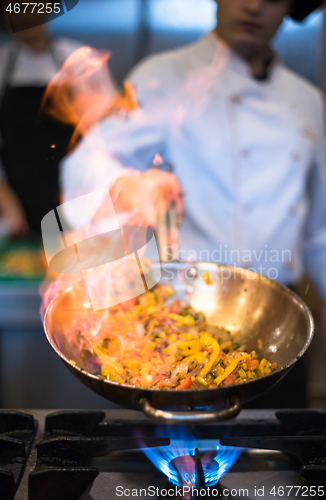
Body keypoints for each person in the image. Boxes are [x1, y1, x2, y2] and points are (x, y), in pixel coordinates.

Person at [61, 0, 325, 407]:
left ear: (293, 6)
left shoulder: (308, 101)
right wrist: (127, 185)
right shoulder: (162, 77)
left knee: (282, 462)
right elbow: (84, 165)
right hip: (184, 324)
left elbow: (319, 232)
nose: (253, 5)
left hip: (278, 329)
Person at [0, 8, 83, 235]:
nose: (26, 14)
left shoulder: (78, 59)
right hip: (16, 198)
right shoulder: (2, 62)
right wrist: (6, 200)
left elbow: (106, 134)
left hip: (74, 194)